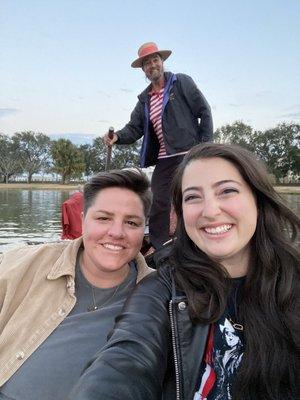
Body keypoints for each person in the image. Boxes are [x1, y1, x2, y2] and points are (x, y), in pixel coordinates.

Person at [69, 143, 300, 400]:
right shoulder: (162, 290)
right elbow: (124, 361)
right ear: (180, 213)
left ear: (257, 199)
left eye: (227, 191)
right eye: (192, 197)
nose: (210, 211)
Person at [0, 169, 153, 400]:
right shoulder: (23, 264)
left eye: (131, 222)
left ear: (144, 229)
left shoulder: (159, 295)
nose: (116, 232)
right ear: (82, 220)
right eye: (103, 218)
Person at [103, 42, 213, 250]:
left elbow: (204, 111)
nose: (152, 65)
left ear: (162, 62)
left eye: (155, 60)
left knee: (191, 197)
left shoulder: (181, 83)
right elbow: (134, 129)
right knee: (159, 201)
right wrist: (116, 136)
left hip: (189, 154)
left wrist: (205, 149)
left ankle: (197, 241)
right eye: (147, 63)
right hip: (165, 158)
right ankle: (160, 246)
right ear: (143, 69)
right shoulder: (145, 99)